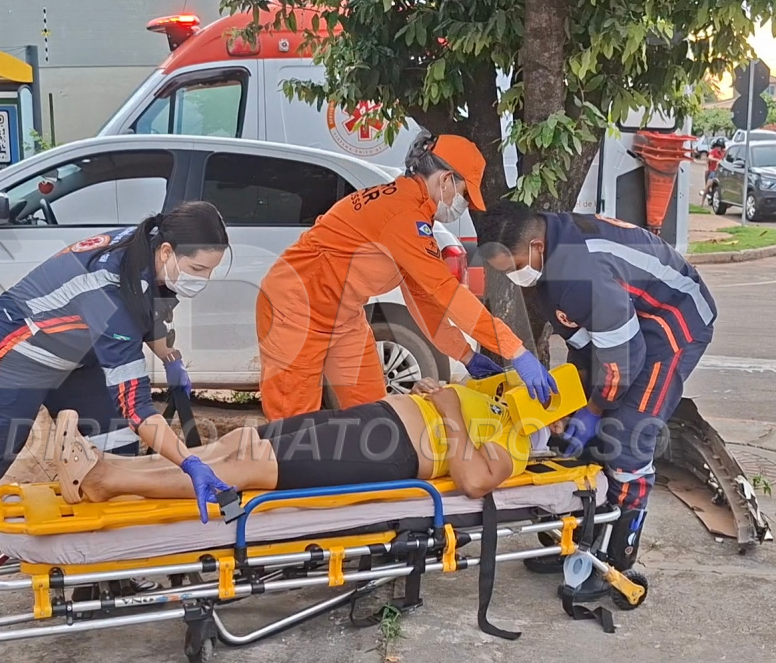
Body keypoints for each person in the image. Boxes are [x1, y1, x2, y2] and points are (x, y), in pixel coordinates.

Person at [0, 202, 234, 663]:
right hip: (11, 356)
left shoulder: (149, 254)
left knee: (116, 456)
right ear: (167, 251)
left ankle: (108, 567)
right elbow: (138, 406)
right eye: (198, 268)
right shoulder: (108, 287)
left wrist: (172, 360)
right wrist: (189, 461)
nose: (202, 278)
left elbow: (153, 314)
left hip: (74, 356)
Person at [476, 201, 716, 596]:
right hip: (628, 325)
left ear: (536, 246)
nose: (512, 274)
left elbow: (627, 354)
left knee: (626, 442)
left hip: (672, 323)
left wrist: (595, 409)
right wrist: (576, 402)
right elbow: (586, 343)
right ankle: (579, 544)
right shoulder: (549, 270)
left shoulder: (578, 272)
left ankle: (615, 563)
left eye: (514, 264)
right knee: (583, 445)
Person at [256, 129, 557, 420]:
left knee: (372, 412)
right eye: (464, 194)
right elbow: (447, 294)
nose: (462, 206)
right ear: (446, 179)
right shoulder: (403, 216)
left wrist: (465, 354)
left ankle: (367, 470)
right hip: (295, 307)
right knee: (292, 424)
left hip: (341, 315)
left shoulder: (411, 213)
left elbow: (424, 298)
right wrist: (514, 350)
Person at [58, 377, 532, 505]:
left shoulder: (518, 443)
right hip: (378, 418)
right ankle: (106, 468)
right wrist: (436, 392)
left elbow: (473, 479)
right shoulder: (499, 394)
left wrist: (450, 413)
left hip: (393, 452)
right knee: (239, 441)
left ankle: (107, 481)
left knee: (252, 466)